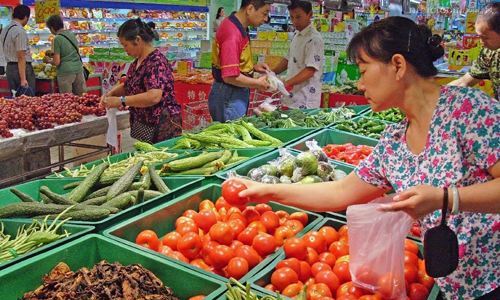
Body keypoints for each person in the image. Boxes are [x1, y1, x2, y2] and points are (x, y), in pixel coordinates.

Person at [234, 17, 499, 299]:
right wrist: (267, 191)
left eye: (362, 71)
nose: (359, 84)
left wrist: (446, 198)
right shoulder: (395, 141)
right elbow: (340, 191)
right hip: (453, 282)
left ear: (397, 65)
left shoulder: (469, 109)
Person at [101, 19, 182, 144]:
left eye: (125, 45)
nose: (125, 49)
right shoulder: (137, 61)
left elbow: (154, 96)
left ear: (137, 40)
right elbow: (129, 85)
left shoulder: (156, 62)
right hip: (145, 123)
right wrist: (110, 94)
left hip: (161, 124)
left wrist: (121, 101)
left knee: (159, 159)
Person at [209, 0, 272, 122]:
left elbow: (231, 60)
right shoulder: (232, 33)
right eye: (264, 13)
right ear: (250, 9)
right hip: (229, 94)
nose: (265, 19)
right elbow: (230, 77)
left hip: (232, 92)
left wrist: (252, 66)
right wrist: (258, 83)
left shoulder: (239, 25)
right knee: (230, 135)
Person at [272, 0, 324, 109]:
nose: (294, 21)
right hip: (292, 95)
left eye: (298, 17)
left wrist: (286, 83)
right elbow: (288, 59)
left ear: (310, 14)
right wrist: (271, 72)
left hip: (306, 99)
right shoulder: (297, 35)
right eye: (292, 17)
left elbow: (310, 70)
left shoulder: (314, 39)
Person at [449, 3, 500, 100]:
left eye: (485, 37)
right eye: (479, 36)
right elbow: (464, 82)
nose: (481, 42)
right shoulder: (489, 53)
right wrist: (438, 95)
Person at [44, 15, 86, 96]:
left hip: (66, 72)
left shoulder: (57, 39)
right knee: (81, 98)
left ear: (52, 28)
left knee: (67, 100)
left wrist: (48, 61)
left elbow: (57, 62)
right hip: (78, 69)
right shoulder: (71, 34)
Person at [0, 5, 35, 96]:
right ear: (26, 17)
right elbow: (21, 57)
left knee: (15, 98)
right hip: (20, 69)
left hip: (10, 68)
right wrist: (23, 79)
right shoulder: (19, 31)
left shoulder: (5, 29)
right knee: (27, 100)